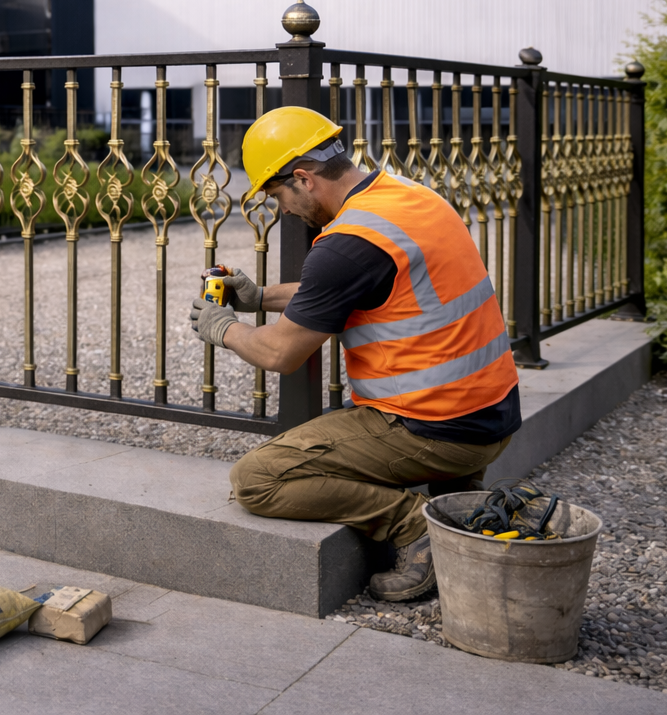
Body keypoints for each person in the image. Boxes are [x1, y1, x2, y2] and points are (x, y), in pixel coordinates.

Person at [190, 107, 520, 601]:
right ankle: (456, 489)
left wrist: (226, 329)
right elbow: (347, 286)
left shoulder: (347, 245)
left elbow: (281, 353)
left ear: (303, 178)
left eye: (278, 194)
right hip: (491, 415)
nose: (282, 209)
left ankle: (415, 526)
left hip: (433, 429)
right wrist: (260, 297)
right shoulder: (408, 197)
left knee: (256, 480)